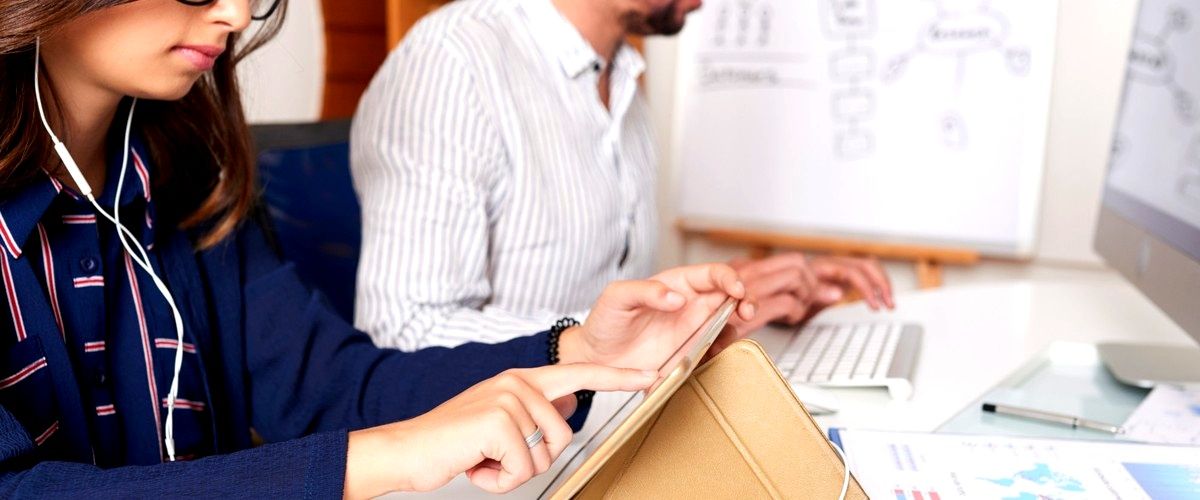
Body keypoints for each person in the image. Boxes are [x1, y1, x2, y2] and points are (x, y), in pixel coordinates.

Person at [0, 0, 756, 497]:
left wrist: (578, 352)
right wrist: (387, 454)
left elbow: (335, 389)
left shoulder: (191, 185)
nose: (234, 14)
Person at [351, 0, 896, 351]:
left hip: (607, 420)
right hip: (502, 461)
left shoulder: (625, 81)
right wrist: (653, 330)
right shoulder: (454, 61)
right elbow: (404, 331)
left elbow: (610, 294)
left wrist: (738, 294)